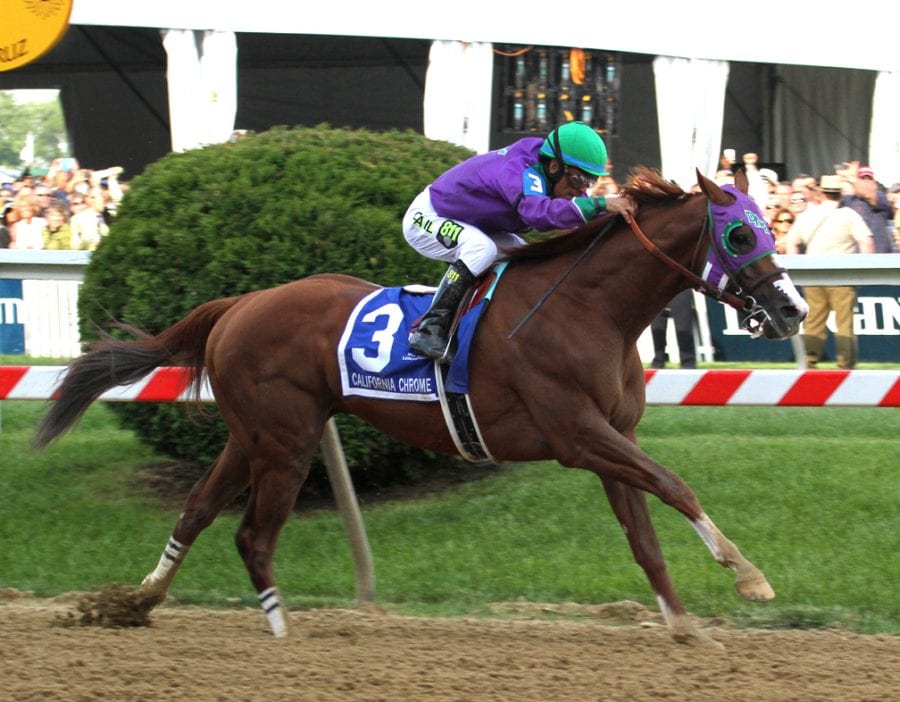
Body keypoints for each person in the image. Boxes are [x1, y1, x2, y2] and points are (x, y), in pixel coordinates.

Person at [402, 120, 636, 360]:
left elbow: (573, 215)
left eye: (590, 182)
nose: (582, 191)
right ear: (554, 166)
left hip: (474, 224)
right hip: (428, 216)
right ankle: (430, 329)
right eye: (578, 181)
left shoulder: (550, 172)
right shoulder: (519, 169)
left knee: (523, 255)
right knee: (480, 249)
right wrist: (601, 204)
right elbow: (538, 213)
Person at [786, 174, 875, 369]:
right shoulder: (848, 215)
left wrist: (796, 267)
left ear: (822, 193)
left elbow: (791, 242)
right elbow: (866, 240)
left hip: (813, 273)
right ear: (840, 194)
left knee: (814, 322)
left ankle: (809, 361)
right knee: (844, 323)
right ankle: (846, 364)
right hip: (842, 274)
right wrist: (867, 268)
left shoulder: (808, 215)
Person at [840, 166, 895, 253]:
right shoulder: (850, 200)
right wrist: (841, 179)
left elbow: (868, 194)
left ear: (874, 183)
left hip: (882, 255)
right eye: (862, 178)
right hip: (857, 257)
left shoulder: (881, 197)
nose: (866, 182)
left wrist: (852, 179)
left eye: (869, 179)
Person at [650, 290, 697, 369]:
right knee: (657, 329)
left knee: (684, 328)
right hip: (658, 288)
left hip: (680, 289)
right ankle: (658, 361)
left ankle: (688, 362)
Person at [69, 186, 111, 250]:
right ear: (92, 199)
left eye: (104, 197)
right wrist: (89, 242)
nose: (104, 200)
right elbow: (74, 244)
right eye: (102, 196)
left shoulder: (110, 216)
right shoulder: (78, 219)